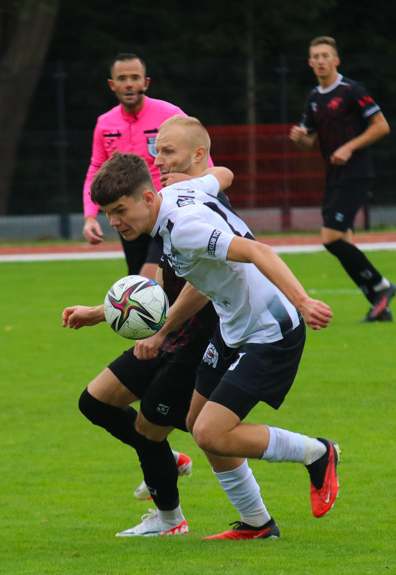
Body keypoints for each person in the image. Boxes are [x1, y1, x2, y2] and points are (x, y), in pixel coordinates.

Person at [90, 117, 340, 541]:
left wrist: (303, 301)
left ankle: (318, 452)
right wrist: (204, 173)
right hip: (232, 325)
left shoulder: (185, 228)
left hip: (270, 332)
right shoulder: (179, 191)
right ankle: (258, 525)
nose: (115, 222)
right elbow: (221, 177)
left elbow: (257, 251)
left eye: (120, 211)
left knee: (211, 431)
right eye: (108, 214)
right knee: (197, 423)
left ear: (148, 198)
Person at [61, 122, 221, 537]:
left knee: (162, 432)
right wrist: (101, 311)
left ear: (197, 154)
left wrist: (159, 333)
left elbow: (202, 285)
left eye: (168, 153)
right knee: (95, 402)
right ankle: (172, 463)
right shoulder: (169, 201)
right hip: (166, 333)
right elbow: (159, 289)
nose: (161, 161)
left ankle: (171, 521)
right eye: (158, 154)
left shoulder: (186, 209)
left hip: (196, 339)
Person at [289, 36, 396, 322]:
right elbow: (308, 141)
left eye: (326, 55)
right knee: (344, 243)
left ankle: (382, 287)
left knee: (332, 238)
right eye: (316, 56)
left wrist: (350, 147)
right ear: (310, 63)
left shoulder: (352, 90)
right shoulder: (313, 98)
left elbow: (381, 126)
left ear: (336, 60)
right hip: (334, 175)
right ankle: (379, 305)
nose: (321, 60)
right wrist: (301, 138)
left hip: (356, 173)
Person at [82, 53, 190, 279]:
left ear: (146, 83)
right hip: (129, 212)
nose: (129, 84)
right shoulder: (105, 123)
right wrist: (90, 217)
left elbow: (198, 153)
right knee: (138, 279)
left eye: (135, 77)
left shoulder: (169, 115)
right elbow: (95, 170)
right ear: (112, 85)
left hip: (166, 208)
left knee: (148, 279)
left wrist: (207, 191)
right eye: (122, 78)